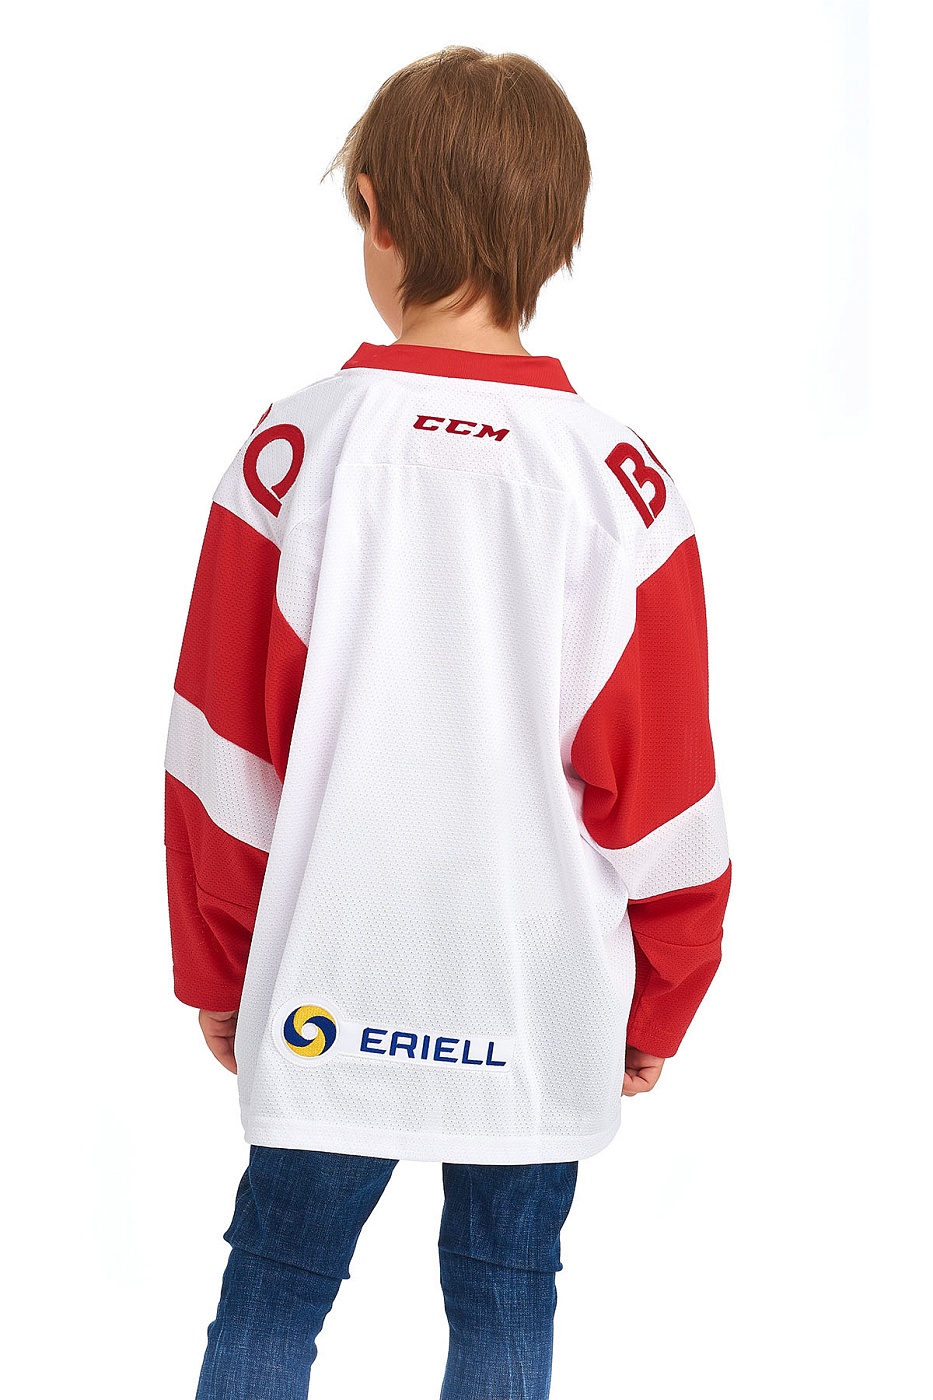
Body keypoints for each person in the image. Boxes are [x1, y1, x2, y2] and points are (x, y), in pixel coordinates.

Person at [163, 44, 733, 1400]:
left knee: (273, 1287)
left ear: (372, 206)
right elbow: (665, 788)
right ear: (561, 232)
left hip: (328, 977)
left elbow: (222, 753)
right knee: (505, 1298)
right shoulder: (618, 482)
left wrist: (219, 963)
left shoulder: (295, 454)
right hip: (538, 991)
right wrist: (664, 989)